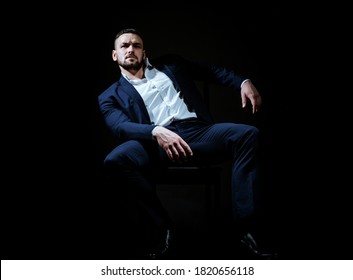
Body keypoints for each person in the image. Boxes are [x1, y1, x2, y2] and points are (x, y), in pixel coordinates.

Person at [98, 28, 277, 259]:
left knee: (248, 134)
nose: (131, 49)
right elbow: (119, 126)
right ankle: (164, 229)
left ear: (144, 51)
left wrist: (242, 82)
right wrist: (155, 131)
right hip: (156, 144)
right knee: (114, 161)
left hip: (199, 133)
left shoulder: (171, 64)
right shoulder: (109, 96)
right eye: (124, 46)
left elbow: (211, 71)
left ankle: (248, 229)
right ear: (115, 55)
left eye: (136, 45)